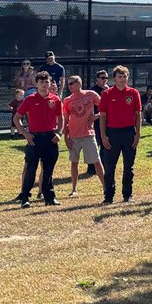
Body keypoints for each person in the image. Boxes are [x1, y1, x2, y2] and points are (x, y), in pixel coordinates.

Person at [14, 71, 65, 207]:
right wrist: (25, 133)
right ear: (36, 83)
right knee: (31, 168)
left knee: (48, 169)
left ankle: (49, 197)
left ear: (50, 83)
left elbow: (61, 118)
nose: (44, 84)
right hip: (34, 138)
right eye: (41, 82)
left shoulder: (55, 99)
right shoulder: (30, 99)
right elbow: (17, 118)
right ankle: (25, 197)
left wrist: (59, 133)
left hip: (50, 137)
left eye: (46, 81)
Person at [98, 65, 142, 204]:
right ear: (114, 78)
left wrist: (138, 134)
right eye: (120, 77)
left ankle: (127, 195)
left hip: (129, 132)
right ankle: (108, 196)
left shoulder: (134, 93)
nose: (122, 79)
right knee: (110, 166)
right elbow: (103, 116)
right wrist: (104, 136)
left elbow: (138, 115)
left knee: (129, 166)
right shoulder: (107, 94)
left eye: (125, 76)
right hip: (112, 133)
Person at [62, 75, 105, 197]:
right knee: (74, 162)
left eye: (72, 83)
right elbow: (65, 120)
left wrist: (96, 116)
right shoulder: (67, 100)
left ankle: (105, 187)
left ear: (79, 83)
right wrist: (66, 137)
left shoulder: (90, 94)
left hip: (88, 134)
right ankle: (74, 189)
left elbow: (105, 107)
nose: (69, 86)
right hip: (74, 135)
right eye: (68, 84)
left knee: (96, 161)